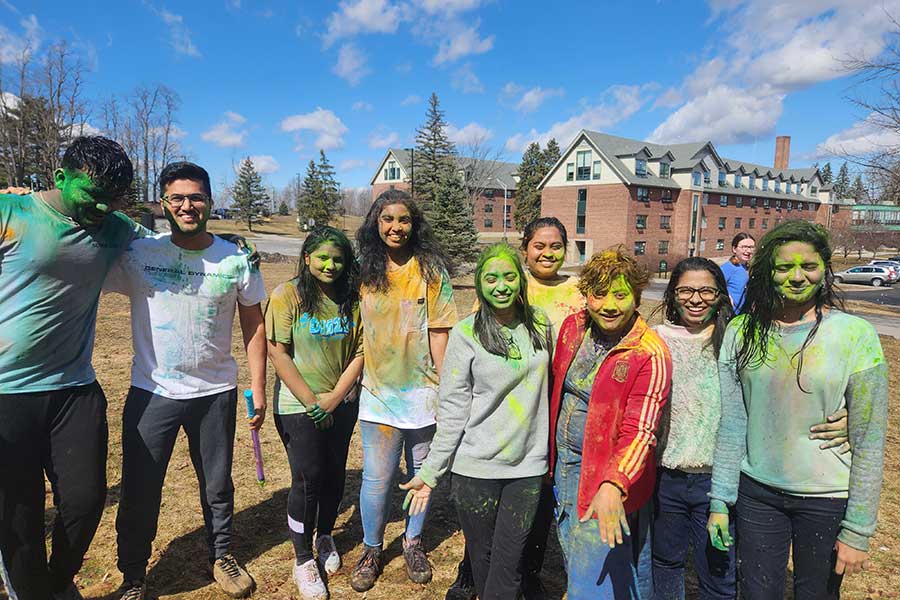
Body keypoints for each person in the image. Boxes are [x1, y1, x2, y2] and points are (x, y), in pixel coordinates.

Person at [104, 162, 267, 600]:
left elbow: (254, 323)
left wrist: (260, 387)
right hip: (151, 391)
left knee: (217, 485)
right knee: (140, 487)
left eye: (196, 197)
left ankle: (222, 556)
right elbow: (88, 241)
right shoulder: (139, 253)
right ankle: (134, 574)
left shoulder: (236, 258)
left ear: (210, 202)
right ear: (163, 204)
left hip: (215, 393)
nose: (187, 205)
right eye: (177, 197)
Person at [708, 220, 888, 600]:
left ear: (824, 269)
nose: (796, 277)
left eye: (808, 265)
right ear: (767, 272)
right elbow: (732, 424)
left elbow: (870, 439)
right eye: (783, 267)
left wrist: (857, 529)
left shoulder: (856, 335)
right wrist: (720, 499)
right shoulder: (742, 332)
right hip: (757, 494)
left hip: (827, 497)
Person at [0, 137, 141, 600]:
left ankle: (58, 582)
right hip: (5, 393)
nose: (103, 205)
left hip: (74, 387)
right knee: (18, 512)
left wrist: (229, 245)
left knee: (84, 501)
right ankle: (29, 588)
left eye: (113, 196)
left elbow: (170, 250)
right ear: (60, 178)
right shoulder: (11, 214)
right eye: (93, 192)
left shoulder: (117, 227)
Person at [400, 244, 551, 599]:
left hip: (526, 469)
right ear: (480, 285)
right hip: (475, 470)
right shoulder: (466, 333)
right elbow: (453, 408)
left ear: (521, 280)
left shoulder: (541, 324)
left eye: (509, 276)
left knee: (509, 562)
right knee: (482, 559)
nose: (501, 286)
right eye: (491, 278)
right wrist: (430, 473)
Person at [448, 216, 585, 600]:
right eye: (539, 245)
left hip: (549, 405)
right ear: (525, 249)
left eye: (555, 245)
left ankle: (526, 575)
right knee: (485, 515)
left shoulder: (577, 293)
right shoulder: (502, 280)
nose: (547, 252)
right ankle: (473, 574)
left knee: (532, 510)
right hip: (501, 418)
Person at [349, 189, 458, 593]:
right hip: (377, 395)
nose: (396, 227)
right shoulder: (363, 270)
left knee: (420, 475)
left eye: (404, 220)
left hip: (423, 397)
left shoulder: (430, 270)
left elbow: (441, 333)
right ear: (376, 224)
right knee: (376, 480)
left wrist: (445, 390)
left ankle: (413, 542)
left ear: (415, 225)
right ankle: (372, 549)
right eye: (387, 219)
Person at [549, 246, 670, 599]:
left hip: (605, 476)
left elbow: (641, 429)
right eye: (598, 294)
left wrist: (613, 484)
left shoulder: (649, 352)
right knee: (572, 546)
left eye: (620, 295)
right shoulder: (574, 328)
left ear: (636, 294)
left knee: (597, 567)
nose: (609, 306)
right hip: (565, 467)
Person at [265, 226, 364, 600]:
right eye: (323, 257)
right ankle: (303, 557)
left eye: (338, 258)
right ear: (307, 258)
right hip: (296, 404)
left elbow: (360, 352)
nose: (330, 265)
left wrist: (335, 398)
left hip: (340, 402)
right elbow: (278, 352)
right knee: (307, 478)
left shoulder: (351, 298)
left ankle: (325, 535)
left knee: (334, 472)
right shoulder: (287, 295)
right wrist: (311, 401)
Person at [719, 233, 755, 313]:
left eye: (751, 247)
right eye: (744, 247)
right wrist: (727, 299)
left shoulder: (749, 268)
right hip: (731, 315)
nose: (748, 251)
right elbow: (715, 288)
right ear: (734, 249)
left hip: (745, 315)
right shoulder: (728, 268)